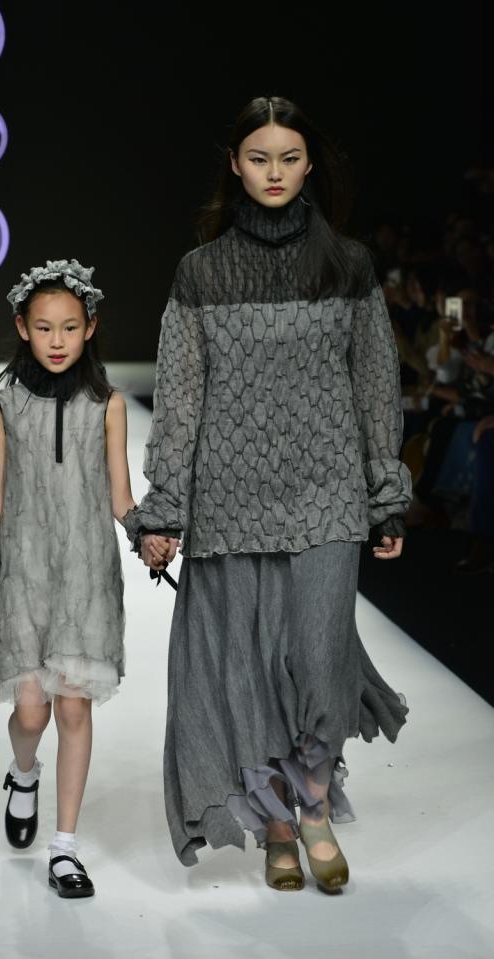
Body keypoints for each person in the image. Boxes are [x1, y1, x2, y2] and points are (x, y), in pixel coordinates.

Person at [122, 96, 412, 894]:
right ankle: (281, 822)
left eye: (288, 158)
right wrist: (164, 508)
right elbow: (180, 399)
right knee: (245, 671)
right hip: (229, 499)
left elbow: (375, 384)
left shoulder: (348, 265)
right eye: (259, 158)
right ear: (235, 165)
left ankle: (312, 797)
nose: (274, 172)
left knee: (320, 661)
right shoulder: (201, 273)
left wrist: (385, 492)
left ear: (310, 164)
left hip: (328, 493)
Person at [0, 259, 160, 898]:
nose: (57, 340)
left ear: (90, 327)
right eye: (44, 328)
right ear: (22, 327)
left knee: (72, 705)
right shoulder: (5, 403)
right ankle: (23, 771)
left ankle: (64, 848)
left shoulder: (108, 405)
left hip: (87, 575)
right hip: (25, 572)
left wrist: (145, 532)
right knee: (31, 713)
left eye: (69, 327)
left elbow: (120, 495)